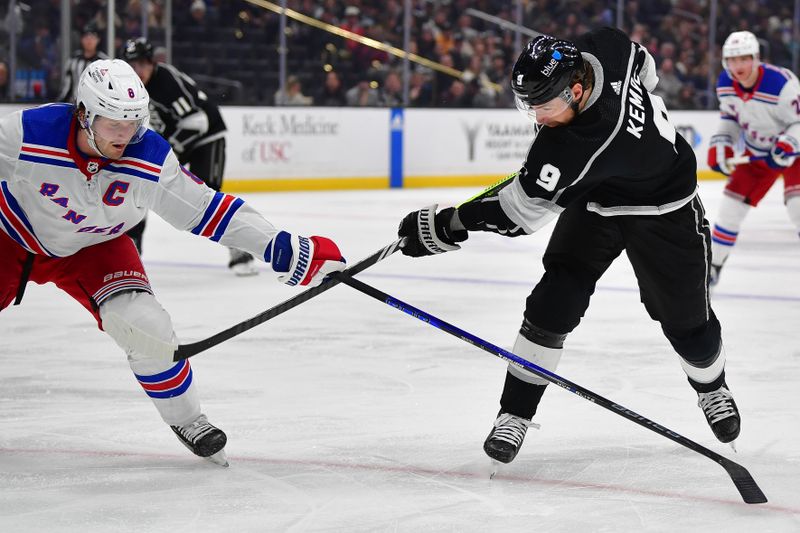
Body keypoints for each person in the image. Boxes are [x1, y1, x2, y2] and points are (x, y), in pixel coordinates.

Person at [397, 29, 741, 466]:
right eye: (529, 105)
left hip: (664, 209)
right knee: (552, 303)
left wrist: (448, 225)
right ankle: (514, 414)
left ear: (576, 91)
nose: (536, 117)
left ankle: (712, 388)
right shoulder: (604, 47)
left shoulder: (574, 144)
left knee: (688, 326)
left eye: (542, 105)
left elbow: (519, 216)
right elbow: (644, 65)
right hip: (597, 199)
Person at [0, 59, 346, 466]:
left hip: (97, 247)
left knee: (148, 327)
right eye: (114, 124)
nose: (126, 135)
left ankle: (189, 420)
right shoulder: (27, 133)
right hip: (10, 237)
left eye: (133, 122)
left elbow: (206, 209)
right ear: (83, 114)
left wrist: (281, 246)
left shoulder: (147, 155)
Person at [121, 38, 258, 276]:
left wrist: (167, 149)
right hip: (179, 137)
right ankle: (131, 252)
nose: (138, 70)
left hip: (207, 136)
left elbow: (198, 122)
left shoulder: (166, 81)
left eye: (142, 64)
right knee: (141, 186)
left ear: (152, 63)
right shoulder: (131, 88)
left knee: (209, 197)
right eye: (132, 65)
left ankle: (239, 251)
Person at [706, 31, 800, 287]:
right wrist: (722, 143)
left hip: (795, 153)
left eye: (745, 59)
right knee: (729, 211)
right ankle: (713, 268)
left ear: (756, 58)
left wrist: (788, 144)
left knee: (798, 207)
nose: (739, 66)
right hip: (757, 153)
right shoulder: (725, 83)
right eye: (733, 60)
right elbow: (730, 119)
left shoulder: (781, 84)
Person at [58, 22, 108, 103]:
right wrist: (60, 104)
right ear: (81, 39)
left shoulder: (104, 61)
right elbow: (67, 87)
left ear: (98, 40)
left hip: (97, 107)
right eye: (86, 37)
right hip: (76, 105)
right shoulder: (73, 60)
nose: (89, 40)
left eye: (92, 37)